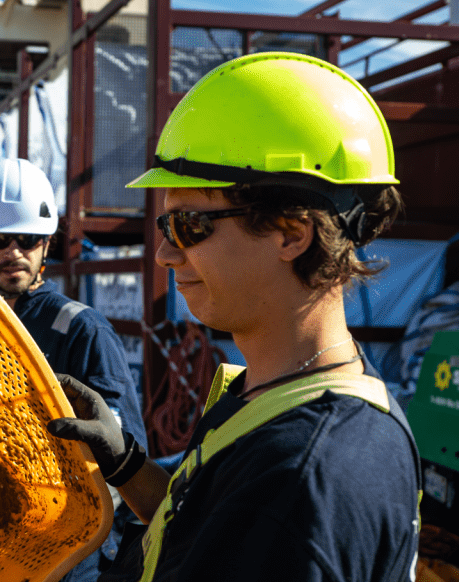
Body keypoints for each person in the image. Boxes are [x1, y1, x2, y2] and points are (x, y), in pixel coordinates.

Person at [47, 52, 422, 582]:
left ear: (291, 233)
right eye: (165, 225)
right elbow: (204, 538)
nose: (165, 254)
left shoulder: (306, 476)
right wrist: (127, 465)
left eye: (190, 224)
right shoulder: (281, 393)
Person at [0, 158, 147, 581]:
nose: (13, 252)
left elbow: (127, 453)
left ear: (47, 244)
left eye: (28, 239)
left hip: (72, 559)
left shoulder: (82, 331)